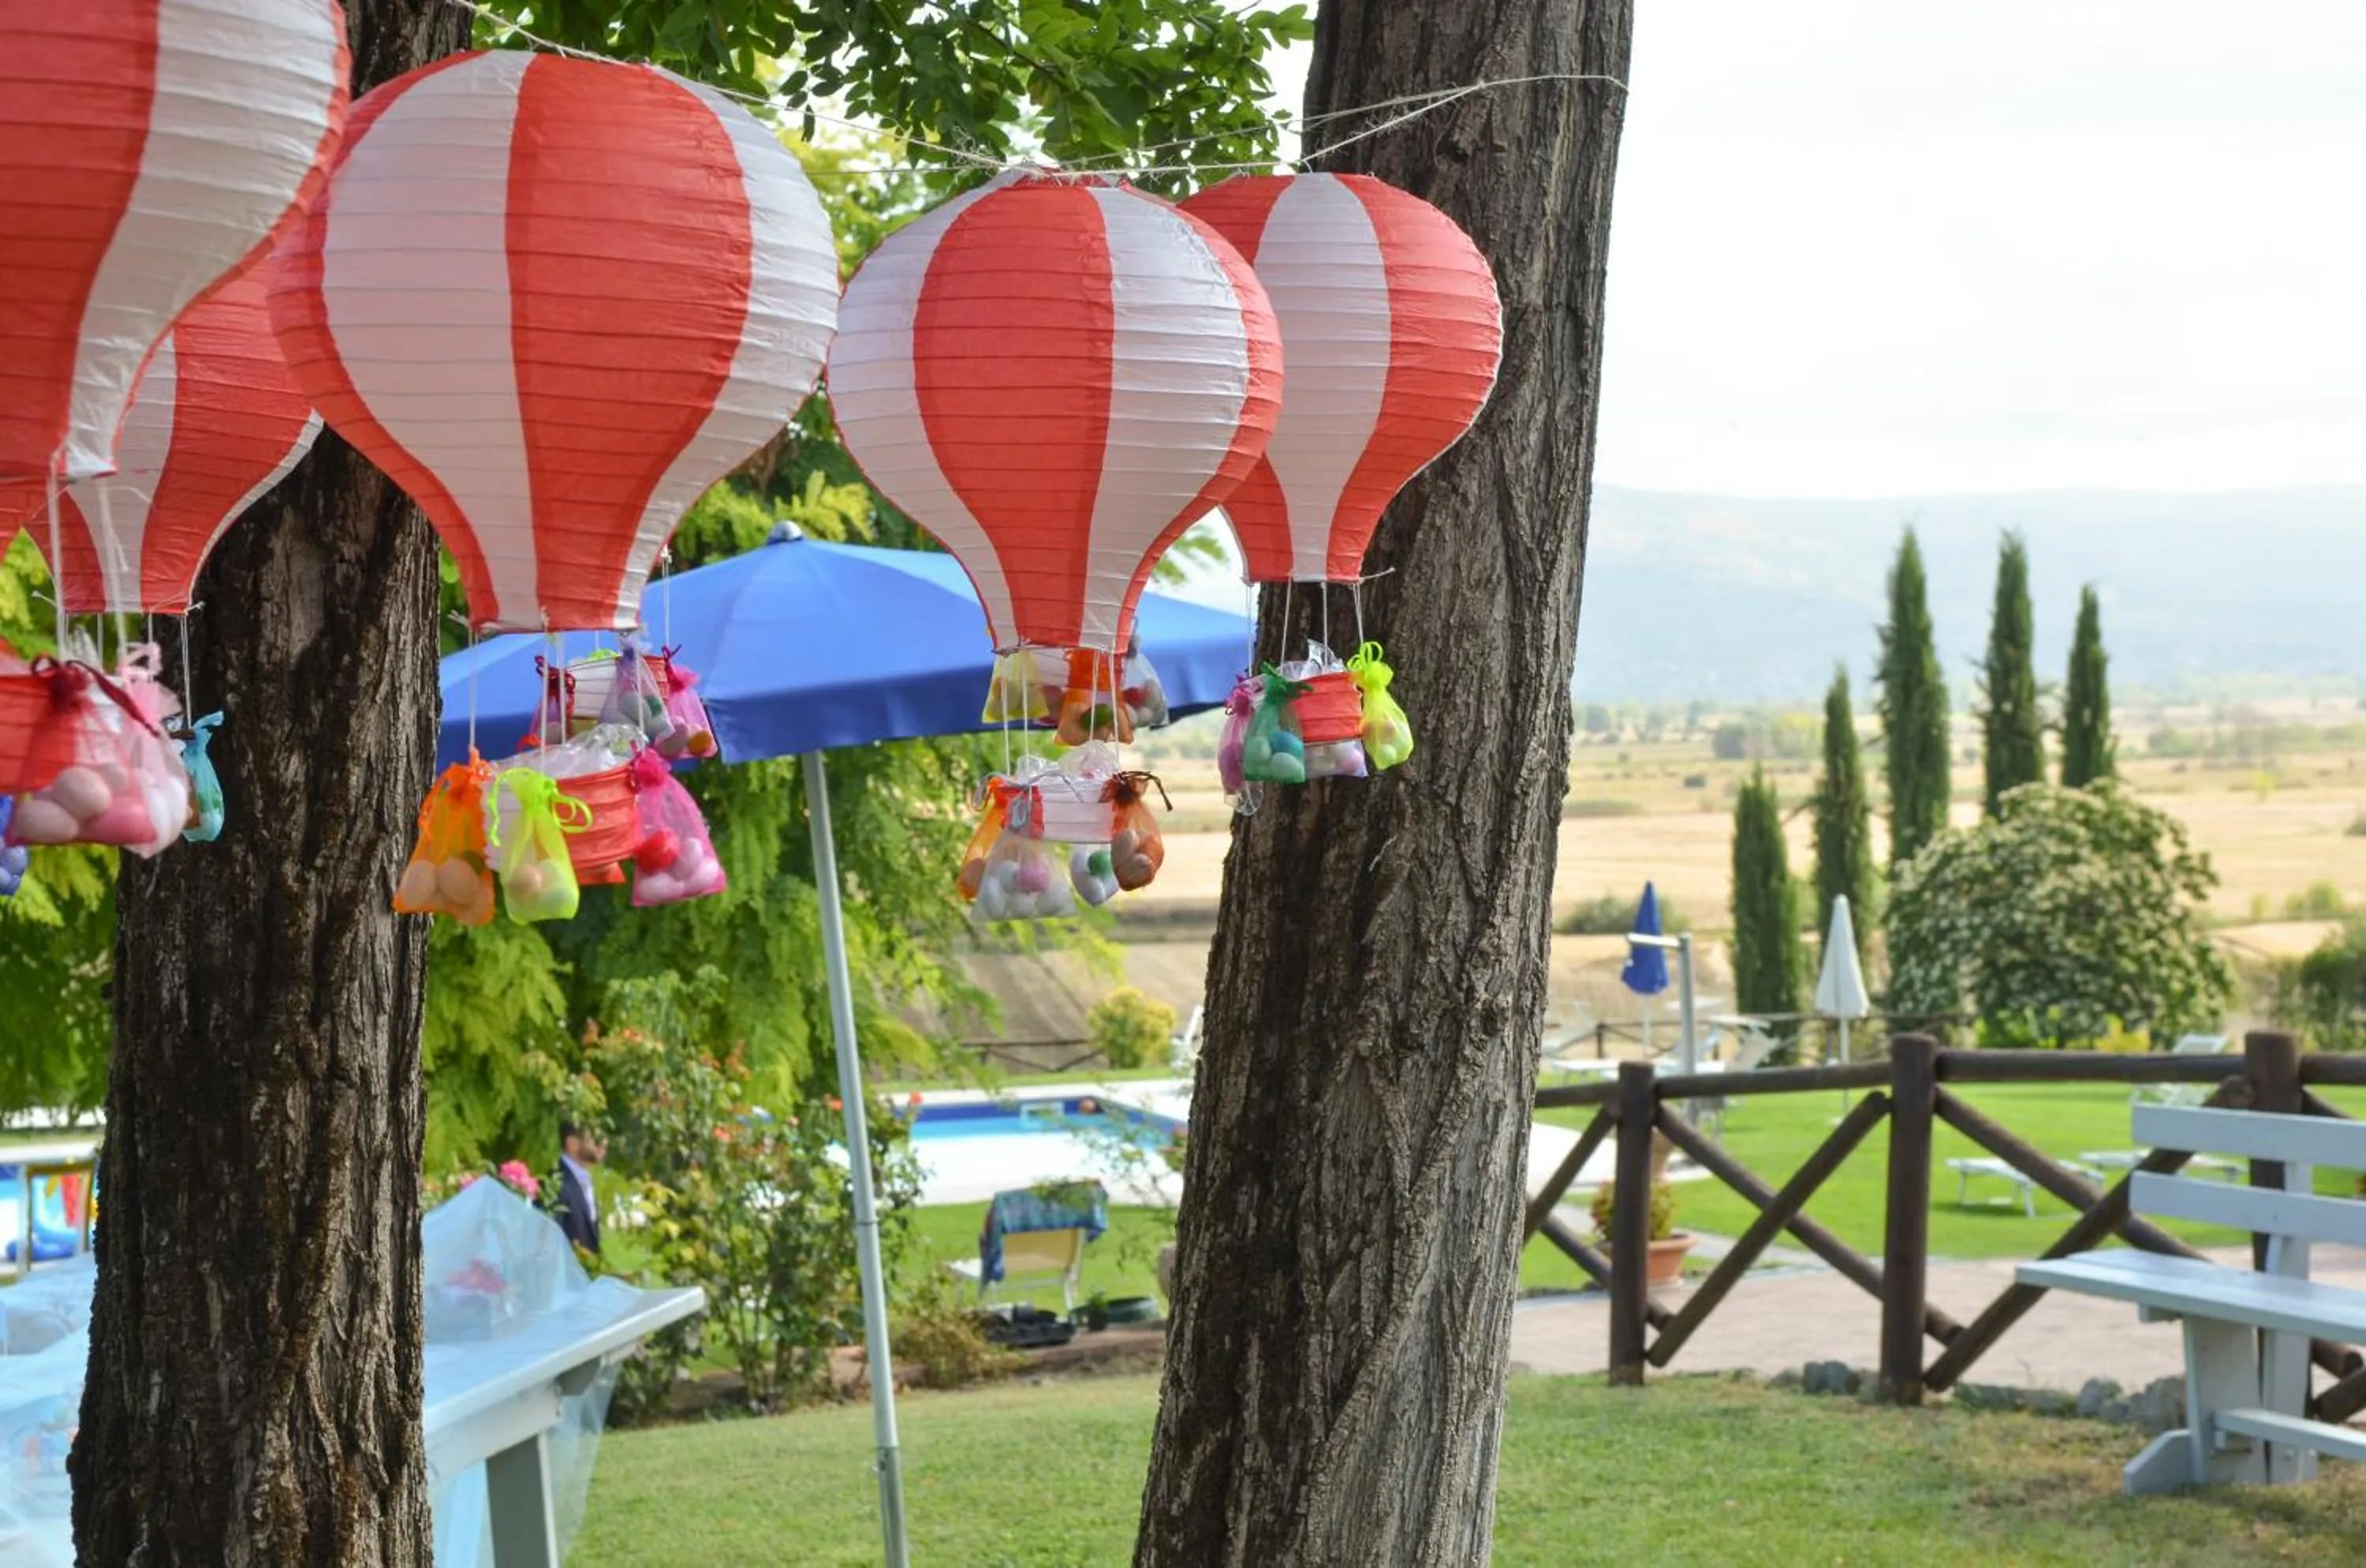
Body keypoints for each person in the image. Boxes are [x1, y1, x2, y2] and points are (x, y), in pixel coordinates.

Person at [555, 1122, 606, 1256]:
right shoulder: (556, 1183)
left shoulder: (584, 1180)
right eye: (591, 1140)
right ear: (572, 1144)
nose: (601, 1146)